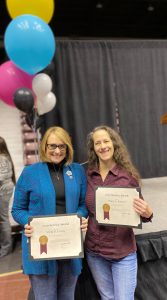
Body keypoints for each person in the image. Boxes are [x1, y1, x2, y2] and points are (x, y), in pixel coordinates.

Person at [12, 126, 88, 300]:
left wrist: (80, 217)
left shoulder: (77, 171)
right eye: (52, 145)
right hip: (41, 250)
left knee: (67, 297)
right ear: (44, 147)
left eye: (62, 146)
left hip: (69, 247)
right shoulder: (30, 173)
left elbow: (83, 205)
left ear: (68, 148)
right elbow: (17, 209)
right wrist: (28, 222)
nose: (57, 150)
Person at [84, 125, 153, 300]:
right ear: (94, 148)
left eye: (106, 141)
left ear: (114, 143)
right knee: (107, 298)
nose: (102, 146)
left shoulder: (128, 177)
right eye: (97, 143)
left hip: (122, 252)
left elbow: (143, 213)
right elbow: (83, 208)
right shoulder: (88, 175)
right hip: (95, 252)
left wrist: (147, 211)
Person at [0, 136, 16, 257]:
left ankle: (6, 248)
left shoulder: (2, 158)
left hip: (3, 191)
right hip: (5, 189)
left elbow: (1, 177)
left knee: (3, 219)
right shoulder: (5, 156)